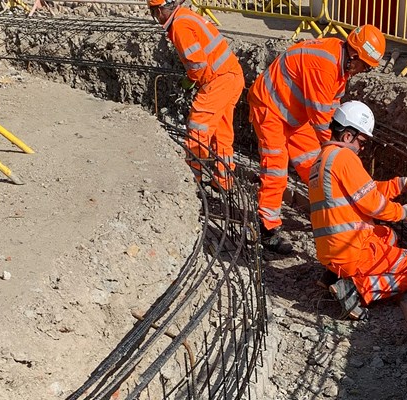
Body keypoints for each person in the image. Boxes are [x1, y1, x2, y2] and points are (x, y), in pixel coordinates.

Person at [248, 25, 386, 254]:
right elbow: (321, 120)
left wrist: (335, 147)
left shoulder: (341, 67)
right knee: (276, 168)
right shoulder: (325, 65)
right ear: (355, 56)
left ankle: (329, 218)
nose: (364, 71)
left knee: (315, 166)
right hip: (270, 108)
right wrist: (340, 152)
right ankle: (267, 228)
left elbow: (332, 110)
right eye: (366, 66)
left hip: (295, 116)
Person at [307, 101, 407, 320]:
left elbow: (366, 190)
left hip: (333, 251)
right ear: (347, 136)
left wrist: (401, 183)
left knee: (389, 236)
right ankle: (356, 289)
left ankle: (333, 276)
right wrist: (405, 212)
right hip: (352, 251)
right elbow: (374, 204)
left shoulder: (322, 161)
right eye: (361, 142)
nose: (362, 148)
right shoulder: (344, 158)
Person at [149, 0, 245, 191]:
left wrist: (190, 80)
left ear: (160, 10)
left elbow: (197, 64)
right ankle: (223, 181)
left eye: (153, 13)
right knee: (221, 131)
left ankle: (194, 178)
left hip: (219, 79)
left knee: (198, 123)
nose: (155, 18)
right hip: (232, 76)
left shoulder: (180, 26)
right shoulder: (185, 15)